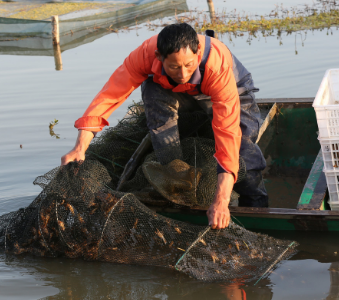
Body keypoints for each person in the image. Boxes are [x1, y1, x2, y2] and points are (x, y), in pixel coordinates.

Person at [61, 23, 268, 229]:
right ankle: (176, 184)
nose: (183, 73)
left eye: (188, 65)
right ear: (159, 57)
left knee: (244, 149)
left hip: (232, 91)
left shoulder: (217, 65)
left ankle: (257, 209)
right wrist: (80, 148)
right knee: (152, 89)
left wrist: (221, 201)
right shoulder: (144, 55)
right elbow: (110, 95)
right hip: (174, 92)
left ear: (197, 53)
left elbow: (227, 134)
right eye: (174, 67)